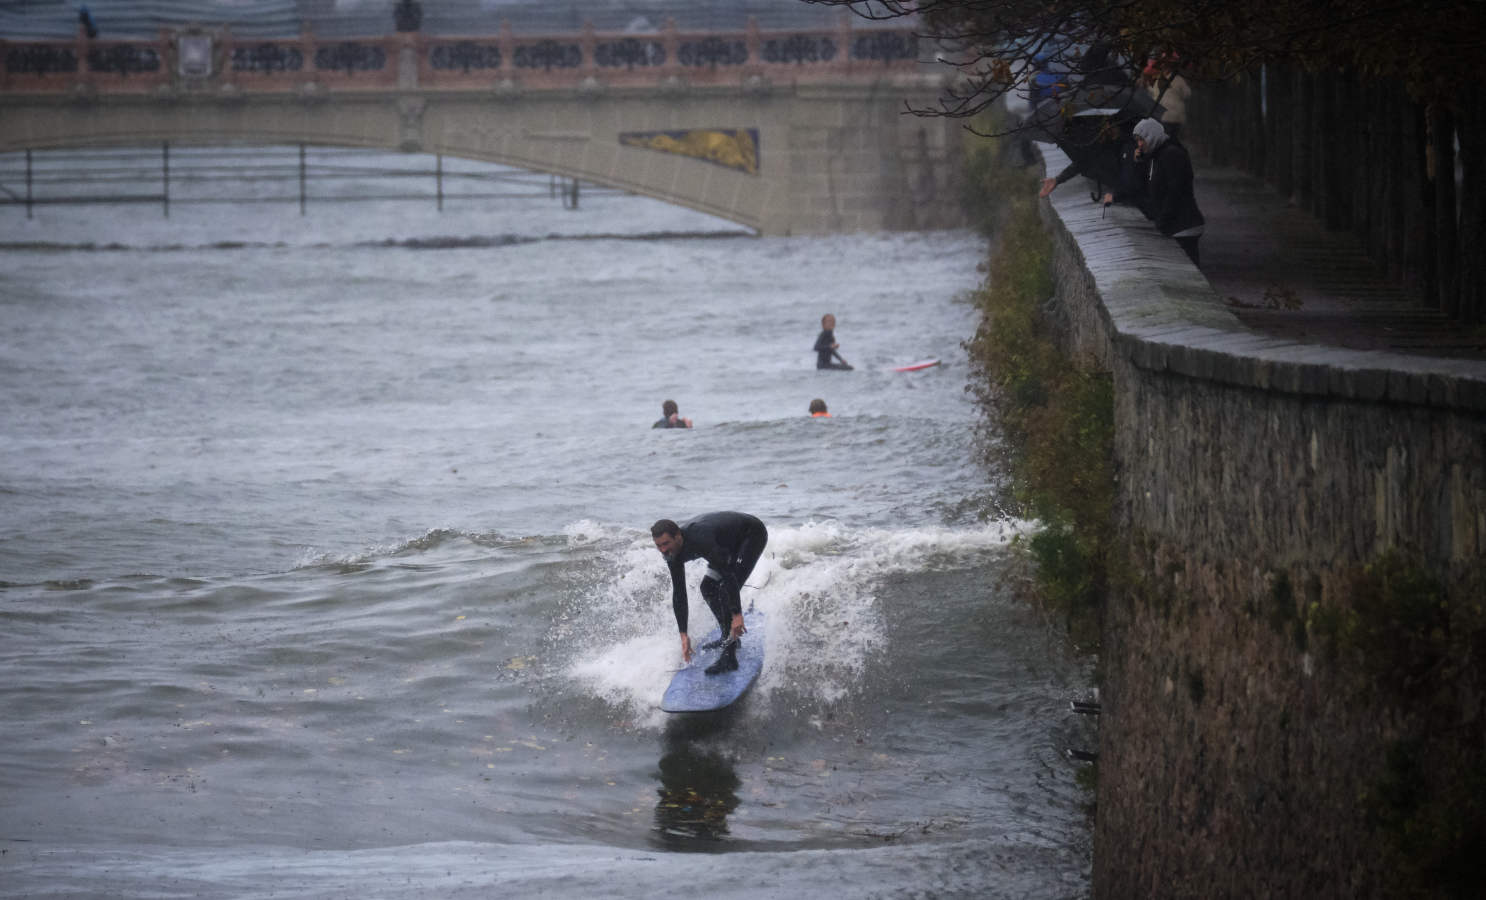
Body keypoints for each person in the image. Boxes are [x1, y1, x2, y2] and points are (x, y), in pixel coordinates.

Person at [651, 512, 768, 676]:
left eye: (666, 544)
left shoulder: (701, 539)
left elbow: (728, 575)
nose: (663, 550)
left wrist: (737, 614)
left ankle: (730, 657)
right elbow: (679, 593)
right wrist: (683, 634)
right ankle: (727, 636)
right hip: (724, 544)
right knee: (708, 588)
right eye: (659, 546)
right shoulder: (671, 554)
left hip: (751, 535)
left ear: (678, 536)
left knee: (723, 592)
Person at [1102, 117, 1205, 266]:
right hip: (1176, 224)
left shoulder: (1171, 154)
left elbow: (1175, 191)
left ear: (1152, 136)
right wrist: (1140, 162)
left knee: (1185, 266)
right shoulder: (1155, 156)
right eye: (1137, 140)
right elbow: (1142, 186)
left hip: (1183, 224)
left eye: (1142, 140)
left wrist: (1162, 220)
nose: (1139, 144)